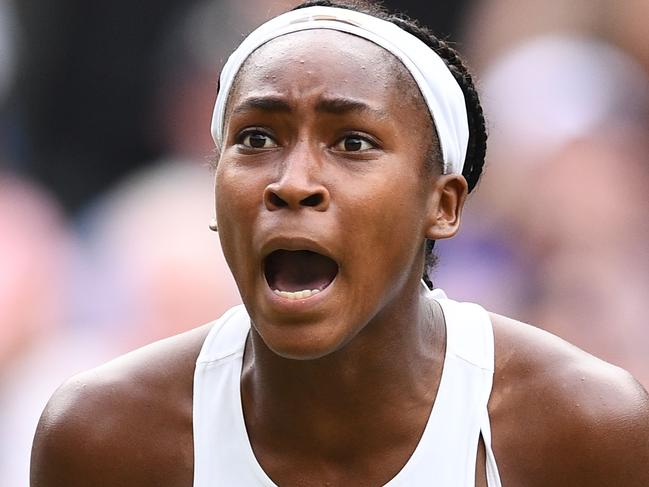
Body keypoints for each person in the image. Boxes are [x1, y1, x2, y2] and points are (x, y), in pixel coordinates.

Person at [30, 1, 649, 486]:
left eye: (352, 142)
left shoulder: (583, 425)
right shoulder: (103, 434)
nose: (292, 183)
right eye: (255, 140)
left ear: (444, 203)